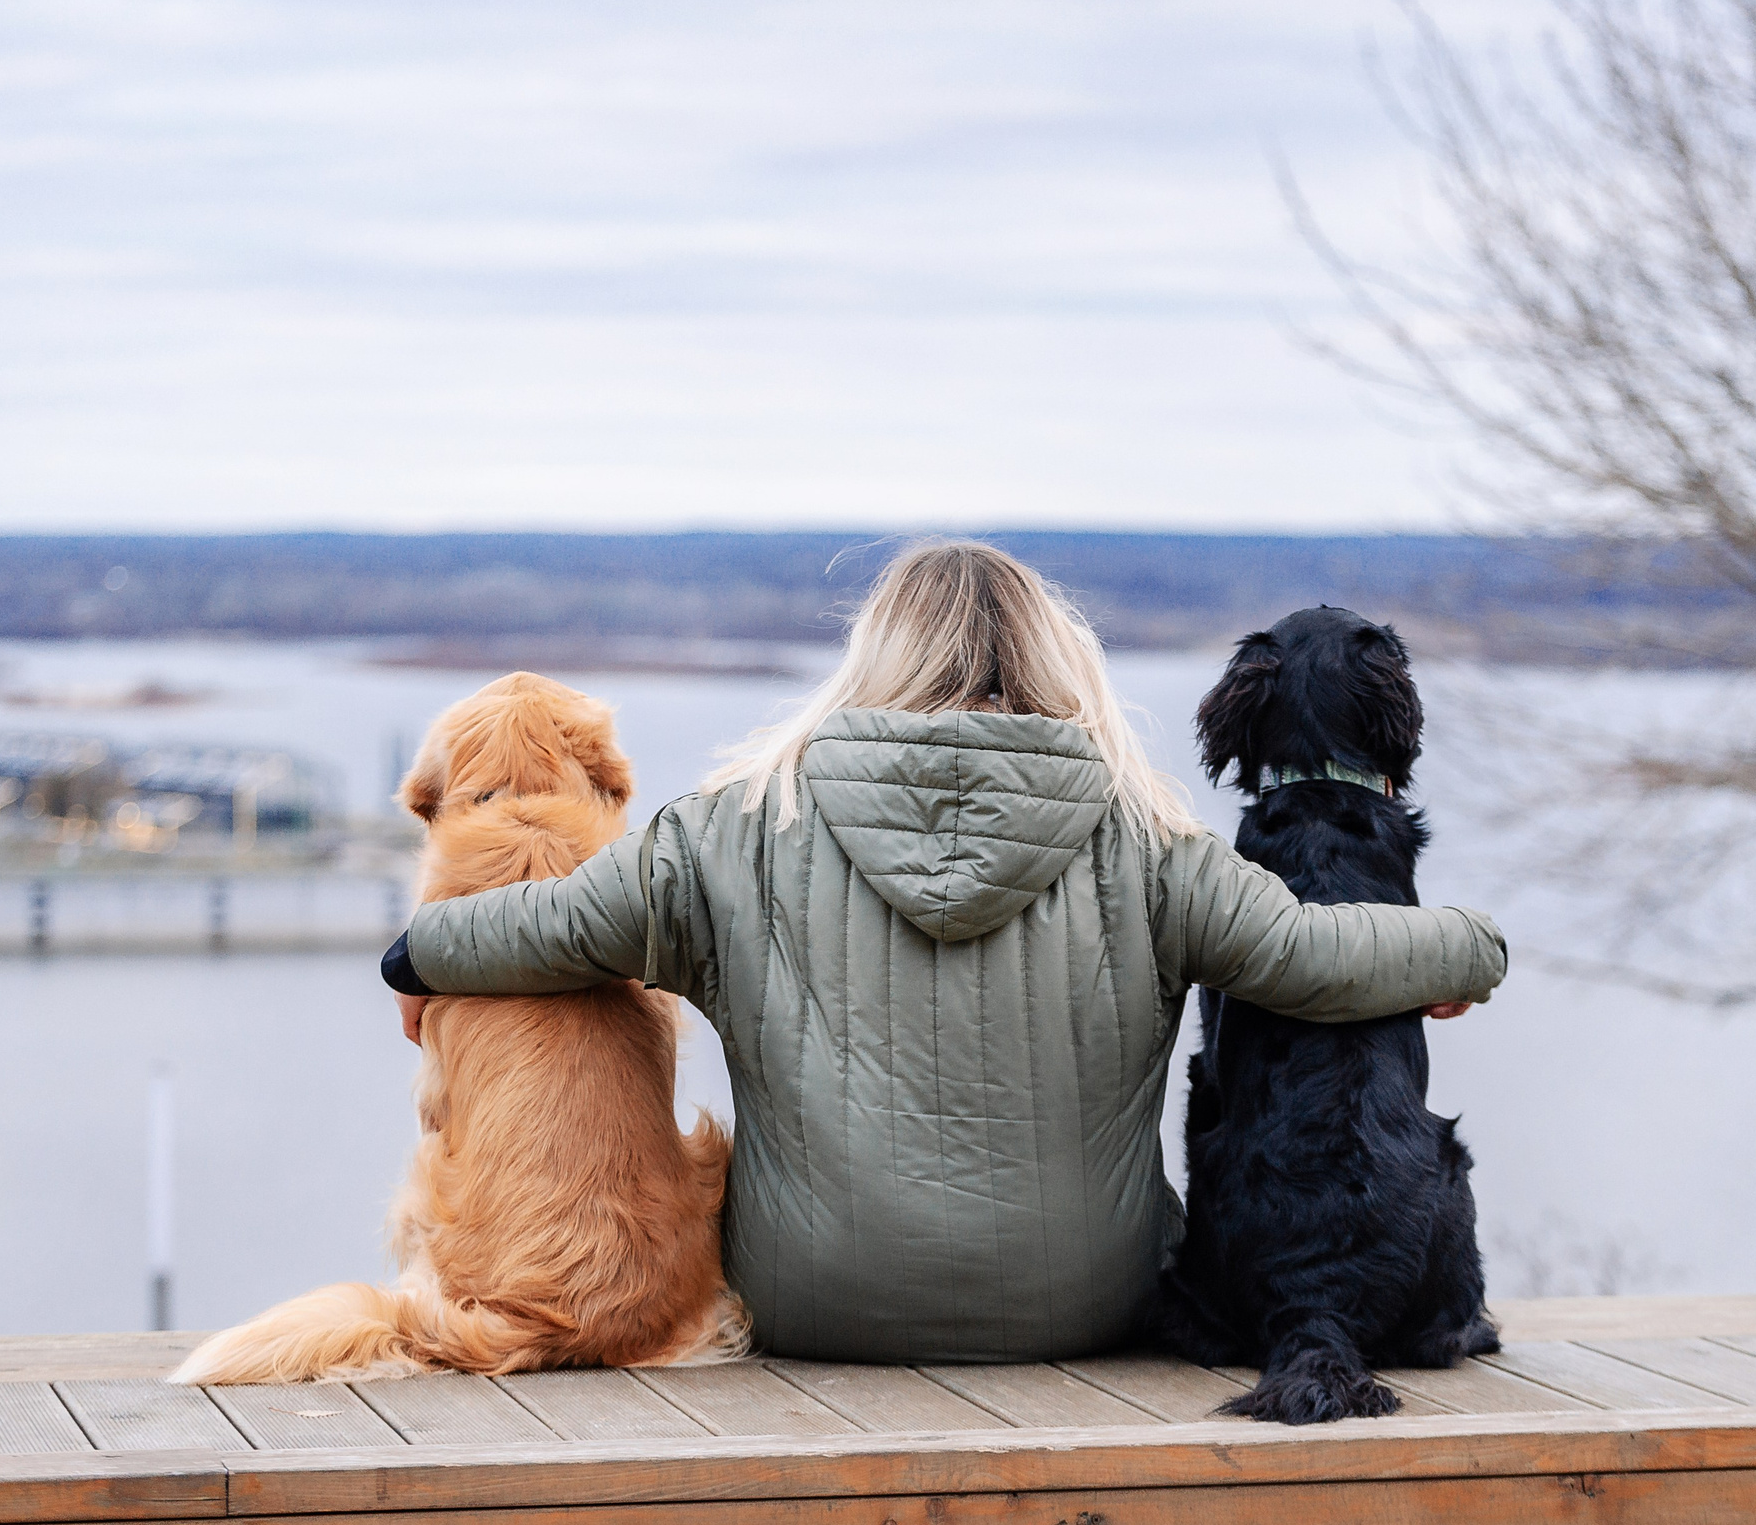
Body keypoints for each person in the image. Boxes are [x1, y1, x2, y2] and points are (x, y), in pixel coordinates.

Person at [382, 542, 1505, 1363]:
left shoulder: (736, 825)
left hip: (812, 1304)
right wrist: (1468, 950)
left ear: (870, 659)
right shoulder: (1146, 835)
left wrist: (416, 964)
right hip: (1090, 1300)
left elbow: (536, 929)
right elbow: (1312, 954)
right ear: (1061, 663)